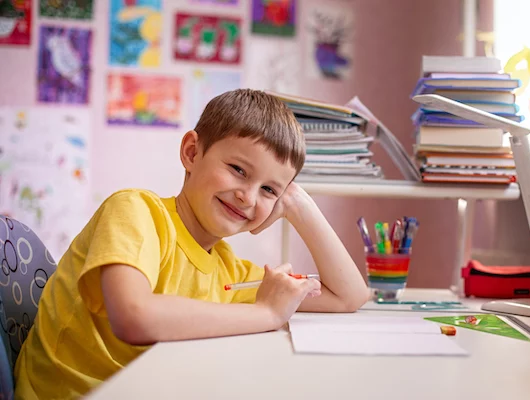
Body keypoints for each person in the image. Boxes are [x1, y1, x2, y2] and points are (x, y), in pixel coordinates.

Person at [14, 89, 370, 399]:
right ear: (191, 152)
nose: (247, 197)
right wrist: (266, 313)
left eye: (269, 190)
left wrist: (299, 205)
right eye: (239, 169)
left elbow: (348, 296)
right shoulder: (136, 212)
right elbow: (134, 317)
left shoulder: (229, 271)